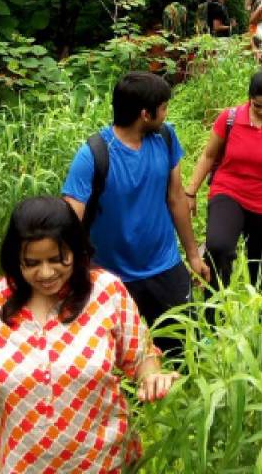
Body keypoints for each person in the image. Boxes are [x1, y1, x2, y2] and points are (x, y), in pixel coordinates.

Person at [0, 196, 179, 474]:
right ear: (15, 259)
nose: (46, 273)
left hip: (105, 465)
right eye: (32, 263)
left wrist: (152, 378)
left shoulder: (106, 292)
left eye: (57, 259)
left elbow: (141, 356)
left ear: (76, 251)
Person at [62, 73, 208, 357]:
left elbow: (176, 197)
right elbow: (69, 220)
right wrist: (70, 274)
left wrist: (192, 254)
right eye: (163, 107)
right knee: (114, 355)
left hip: (164, 265)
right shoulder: (94, 154)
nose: (166, 114)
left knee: (185, 349)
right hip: (111, 274)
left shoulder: (166, 138)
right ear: (145, 113)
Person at [185, 70, 262, 291]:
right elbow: (209, 155)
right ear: (249, 97)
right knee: (218, 247)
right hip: (228, 190)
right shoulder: (230, 118)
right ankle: (216, 309)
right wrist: (190, 192)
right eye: (257, 105)